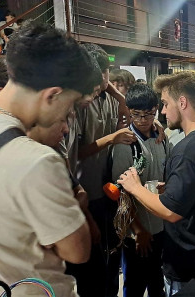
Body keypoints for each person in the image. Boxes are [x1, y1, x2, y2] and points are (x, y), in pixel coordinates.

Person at [0, 23, 95, 297]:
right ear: (52, 95)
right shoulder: (36, 160)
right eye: (70, 105)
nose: (67, 119)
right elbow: (77, 251)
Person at [117, 72, 195, 296]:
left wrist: (134, 187)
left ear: (182, 102)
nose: (163, 112)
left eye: (165, 104)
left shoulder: (187, 149)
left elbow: (170, 211)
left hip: (187, 258)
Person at [66, 43, 135, 297]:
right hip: (89, 192)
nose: (105, 79)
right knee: (91, 267)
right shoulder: (80, 106)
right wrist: (111, 138)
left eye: (107, 72)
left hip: (112, 190)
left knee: (113, 256)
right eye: (102, 73)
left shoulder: (111, 98)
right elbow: (75, 154)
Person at [110, 84, 170, 297]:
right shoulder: (125, 144)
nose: (143, 120)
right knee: (134, 285)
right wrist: (138, 230)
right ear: (129, 111)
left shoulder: (162, 139)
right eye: (136, 115)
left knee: (157, 283)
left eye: (148, 114)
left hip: (160, 227)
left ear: (156, 109)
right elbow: (121, 194)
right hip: (137, 232)